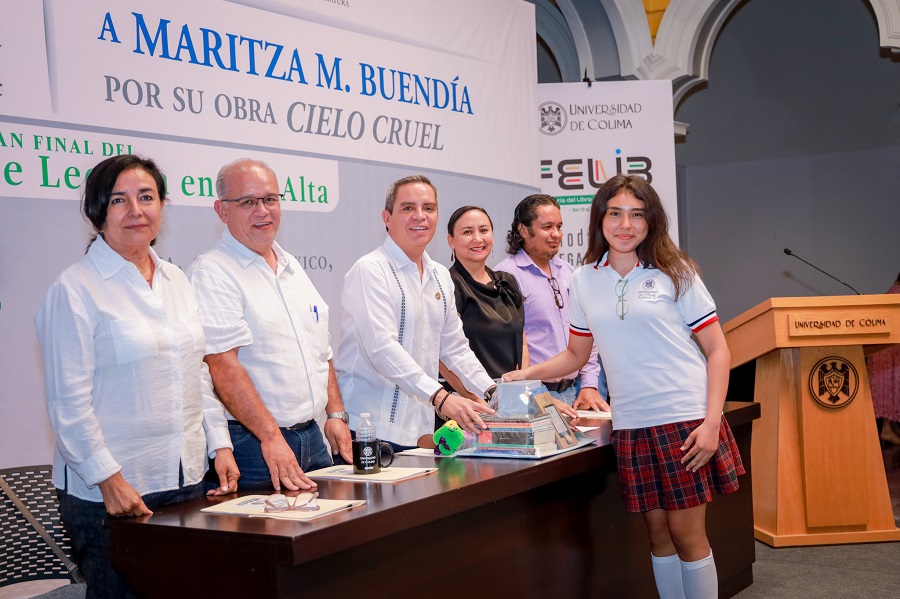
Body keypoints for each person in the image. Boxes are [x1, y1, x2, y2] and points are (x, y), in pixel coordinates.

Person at [503, 175, 744, 599]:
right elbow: (576, 355)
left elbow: (718, 350)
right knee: (658, 535)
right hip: (631, 423)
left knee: (687, 535)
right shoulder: (583, 279)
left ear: (652, 222)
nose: (625, 225)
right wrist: (524, 374)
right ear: (600, 219)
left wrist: (711, 423)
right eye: (615, 213)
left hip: (684, 418)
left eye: (637, 215)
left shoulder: (675, 271)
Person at [34, 155, 239, 598]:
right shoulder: (74, 290)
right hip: (112, 495)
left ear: (161, 206)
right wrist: (108, 478)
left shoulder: (176, 280)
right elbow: (68, 405)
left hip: (185, 481)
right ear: (97, 213)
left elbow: (195, 372)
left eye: (146, 197)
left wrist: (219, 444)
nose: (135, 210)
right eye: (118, 200)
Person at [187, 158, 352, 492]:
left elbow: (321, 350)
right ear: (222, 210)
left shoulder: (292, 266)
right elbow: (222, 365)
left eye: (270, 199)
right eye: (248, 202)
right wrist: (270, 436)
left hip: (313, 437)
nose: (262, 210)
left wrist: (335, 413)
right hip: (255, 446)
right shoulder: (212, 273)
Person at [335, 175, 497, 450]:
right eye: (408, 208)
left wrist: (491, 391)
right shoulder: (370, 270)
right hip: (369, 430)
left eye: (428, 208)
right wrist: (441, 397)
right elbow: (382, 349)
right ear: (387, 217)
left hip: (420, 430)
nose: (420, 216)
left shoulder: (440, 275)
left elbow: (454, 348)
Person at [494, 194, 608, 410]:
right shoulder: (506, 276)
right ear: (523, 230)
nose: (556, 234)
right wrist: (534, 396)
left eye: (559, 226)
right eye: (547, 227)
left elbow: (585, 333)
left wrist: (589, 384)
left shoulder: (568, 271)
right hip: (532, 396)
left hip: (575, 392)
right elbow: (503, 351)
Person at [438, 206, 528, 425]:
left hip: (507, 400)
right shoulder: (448, 285)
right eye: (467, 232)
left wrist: (521, 391)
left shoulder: (507, 281)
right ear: (451, 240)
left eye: (484, 230)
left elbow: (522, 341)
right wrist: (475, 399)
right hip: (469, 405)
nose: (477, 238)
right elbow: (443, 355)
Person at [868, 271, 900, 444]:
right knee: (890, 389)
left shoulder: (892, 291)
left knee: (888, 390)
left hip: (884, 349)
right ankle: (886, 430)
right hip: (890, 350)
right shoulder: (897, 293)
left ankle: (888, 429)